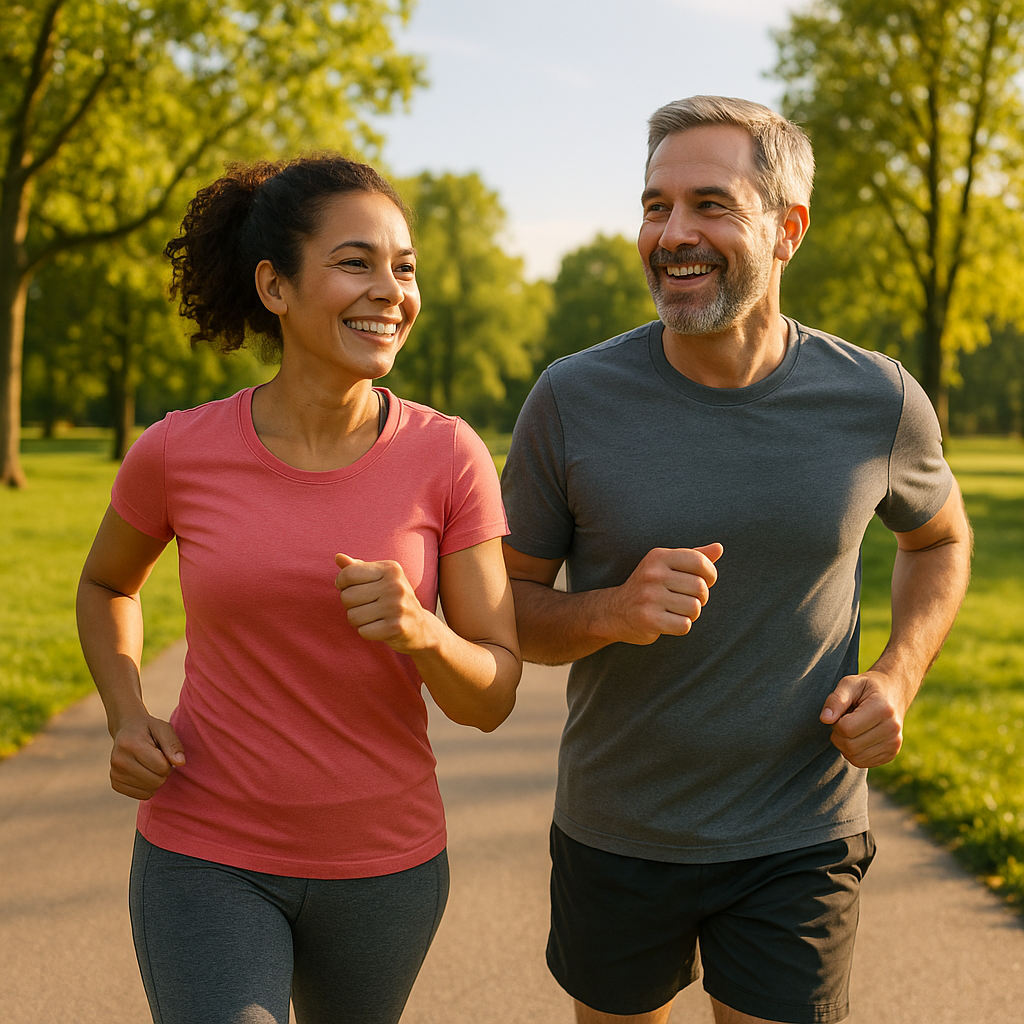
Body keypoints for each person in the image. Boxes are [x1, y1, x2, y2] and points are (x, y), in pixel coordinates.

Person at [501, 96, 972, 1024]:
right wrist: (609, 611)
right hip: (620, 827)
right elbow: (505, 609)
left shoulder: (876, 399)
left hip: (801, 830)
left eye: (710, 205)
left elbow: (941, 538)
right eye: (656, 206)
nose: (673, 233)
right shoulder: (572, 399)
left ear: (788, 230)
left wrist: (899, 674)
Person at [76, 154, 521, 1024]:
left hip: (386, 865)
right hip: (206, 851)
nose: (390, 290)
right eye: (356, 262)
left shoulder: (449, 455)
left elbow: (494, 694)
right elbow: (105, 584)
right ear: (274, 286)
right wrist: (126, 712)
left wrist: (424, 633)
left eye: (405, 267)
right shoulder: (177, 451)